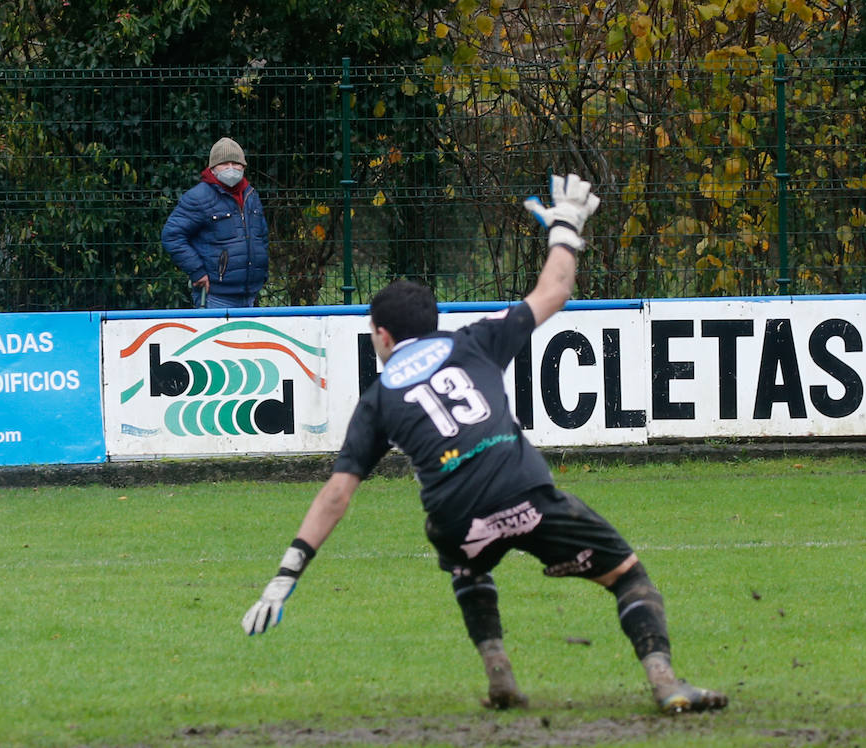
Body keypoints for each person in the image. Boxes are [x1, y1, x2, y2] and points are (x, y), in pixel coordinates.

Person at [240, 174, 729, 717]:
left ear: (381, 335)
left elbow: (337, 494)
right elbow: (555, 291)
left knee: (466, 566)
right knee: (628, 575)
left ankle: (501, 679)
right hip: (523, 491)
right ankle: (665, 683)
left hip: (456, 519)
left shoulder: (377, 400)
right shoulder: (473, 341)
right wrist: (565, 229)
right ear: (434, 324)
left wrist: (285, 576)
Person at [161, 137, 269, 308]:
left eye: (236, 163)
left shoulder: (251, 196)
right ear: (213, 168)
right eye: (225, 164)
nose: (231, 169)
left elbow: (261, 236)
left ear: (244, 167)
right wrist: (197, 271)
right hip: (215, 296)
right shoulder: (198, 197)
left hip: (250, 295)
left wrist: (262, 273)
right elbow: (172, 235)